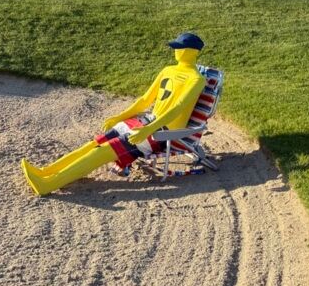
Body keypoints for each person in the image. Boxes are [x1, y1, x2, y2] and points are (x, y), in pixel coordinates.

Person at [21, 32, 207, 196]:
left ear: (192, 51)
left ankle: (48, 184)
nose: (176, 51)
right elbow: (144, 100)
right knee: (96, 142)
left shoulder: (196, 79)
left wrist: (148, 129)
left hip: (161, 133)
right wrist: (120, 117)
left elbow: (178, 108)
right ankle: (45, 171)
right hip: (146, 122)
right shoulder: (168, 70)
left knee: (103, 152)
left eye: (180, 48)